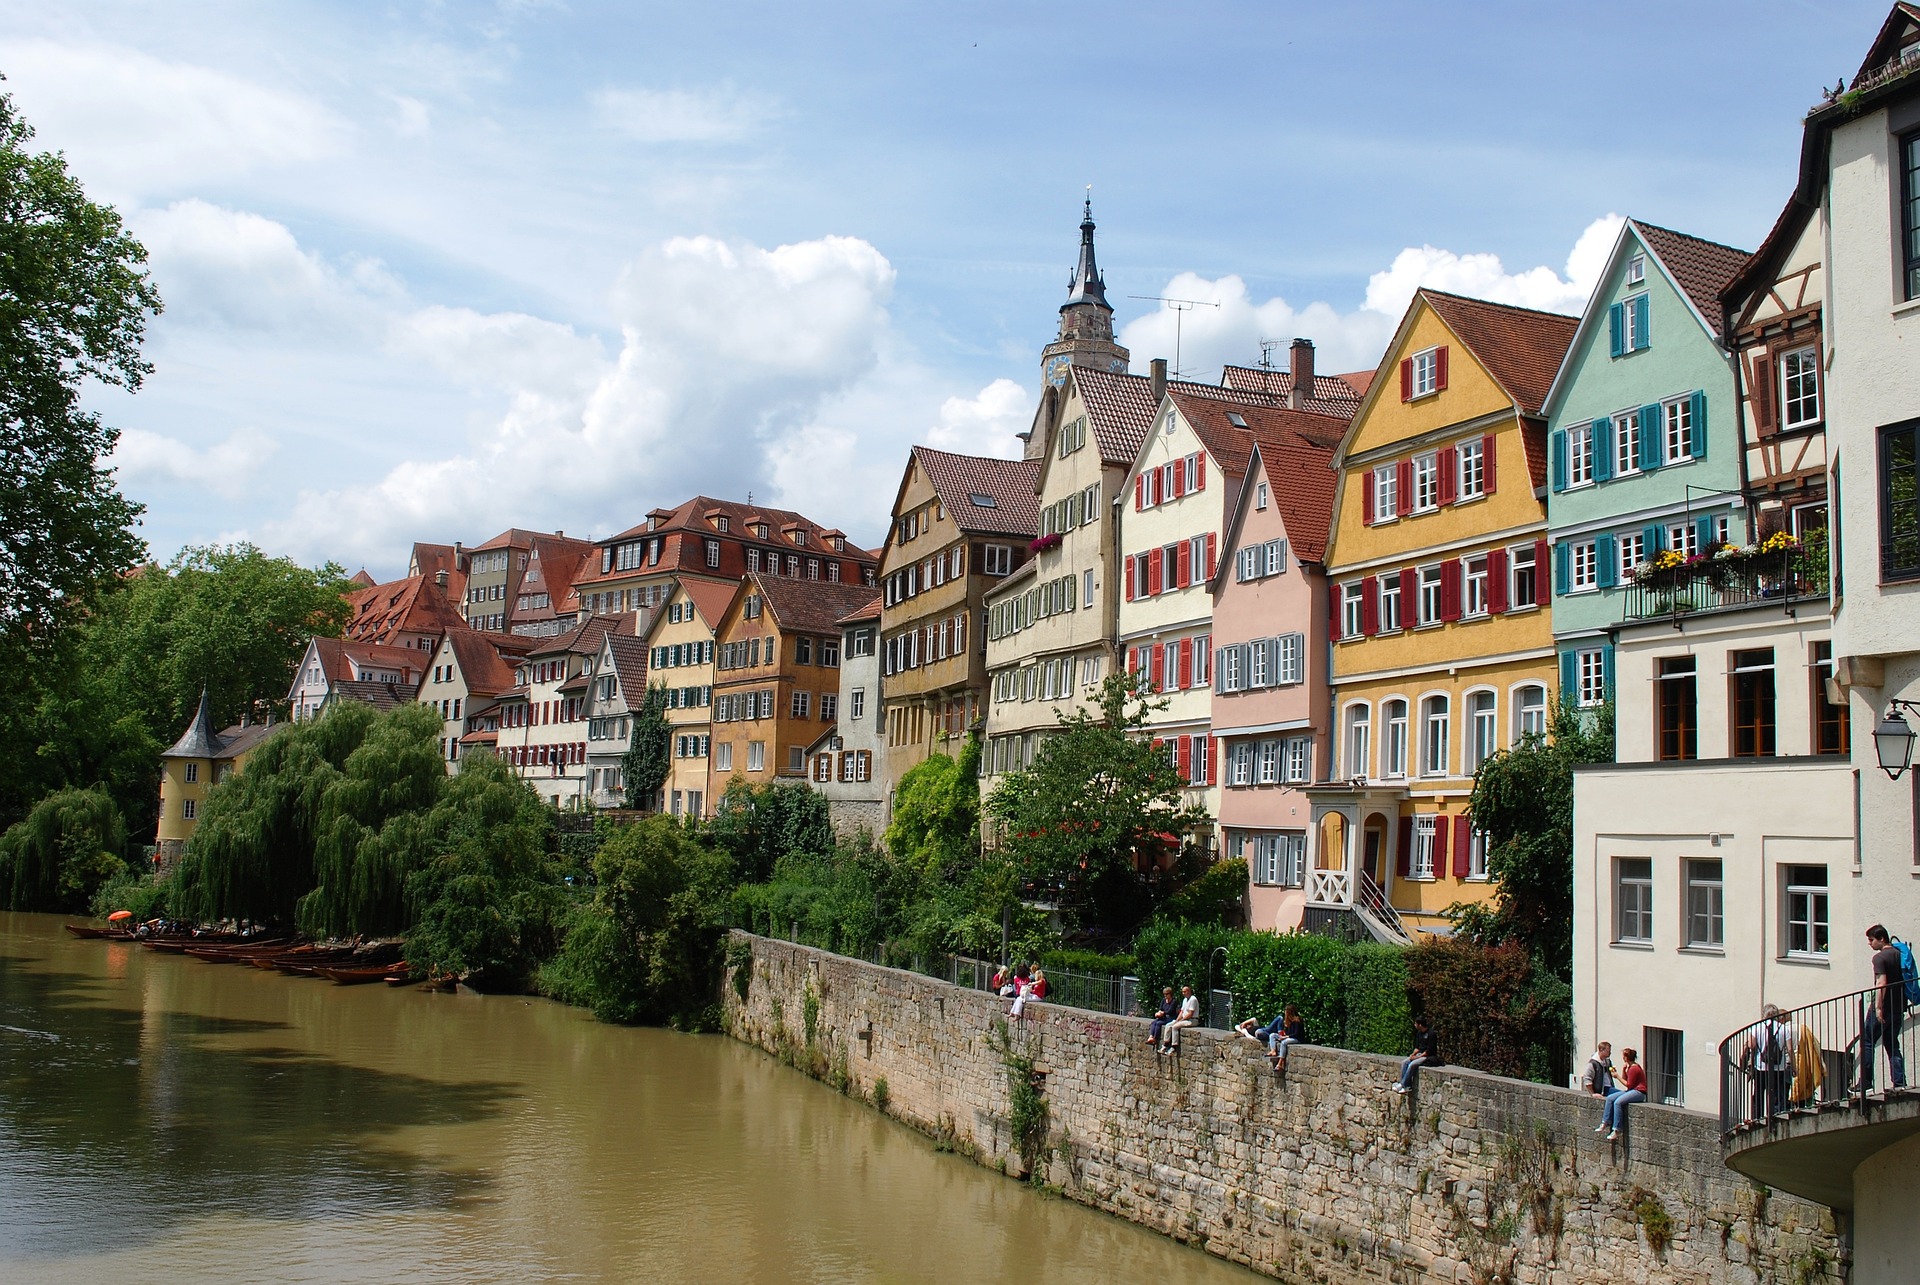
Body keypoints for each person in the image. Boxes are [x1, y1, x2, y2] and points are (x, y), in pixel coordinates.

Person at [1859, 924, 1908, 1093]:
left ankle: (1866, 1082)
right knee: (1892, 1044)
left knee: (1867, 1041)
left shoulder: (1879, 958)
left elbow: (1881, 983)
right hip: (1898, 1006)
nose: (1869, 943)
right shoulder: (1899, 954)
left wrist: (1878, 1007)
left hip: (1884, 1007)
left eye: (1871, 940)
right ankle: (1900, 1082)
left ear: (1881, 939)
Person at [1744, 1004, 1794, 1119]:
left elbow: (1751, 1045)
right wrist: (1793, 1066)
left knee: (1759, 1094)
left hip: (1760, 1067)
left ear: (1763, 1014)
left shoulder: (1757, 1027)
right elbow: (1790, 1049)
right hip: (1779, 1068)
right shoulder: (1783, 1028)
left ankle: (1757, 1118)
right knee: (1777, 1095)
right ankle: (1775, 1118)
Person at [1600, 1047, 1647, 1140]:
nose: (1622, 1058)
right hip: (1632, 1090)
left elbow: (1628, 1084)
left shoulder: (1634, 1068)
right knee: (1610, 1098)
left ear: (1626, 1057)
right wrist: (1623, 1070)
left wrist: (1617, 1076)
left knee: (1618, 1102)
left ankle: (1617, 1129)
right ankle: (1605, 1121)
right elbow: (1625, 1080)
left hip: (1639, 1092)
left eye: (1623, 1056)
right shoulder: (1629, 1067)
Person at [1392, 1017, 1440, 1093]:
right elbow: (1417, 1047)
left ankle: (1404, 1085)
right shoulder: (1419, 1033)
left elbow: (1429, 1050)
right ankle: (1405, 1085)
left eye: (1415, 1023)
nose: (1414, 1025)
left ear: (1420, 1025)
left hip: (1427, 1056)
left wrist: (1417, 1057)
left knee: (1412, 1064)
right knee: (1404, 1062)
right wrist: (1412, 1055)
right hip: (1419, 1054)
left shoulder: (1431, 1034)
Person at [1160, 985, 1199, 1054]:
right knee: (1168, 1025)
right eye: (1182, 992)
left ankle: (1174, 1047)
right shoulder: (1185, 1000)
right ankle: (1165, 1045)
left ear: (1189, 991)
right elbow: (1182, 1012)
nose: (1183, 993)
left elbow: (1190, 1013)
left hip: (1192, 1020)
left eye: (1185, 992)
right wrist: (1177, 1020)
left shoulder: (1193, 999)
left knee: (1175, 1027)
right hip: (1185, 1019)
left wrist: (1181, 1020)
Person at [1269, 1005, 1307, 1071]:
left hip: (1297, 1039)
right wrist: (1284, 1032)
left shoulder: (1297, 1021)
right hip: (1289, 1036)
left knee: (1284, 1043)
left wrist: (1285, 1037)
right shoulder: (1288, 1021)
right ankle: (1273, 1051)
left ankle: (1280, 1062)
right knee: (1272, 1035)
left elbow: (1296, 1034)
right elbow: (1288, 1032)